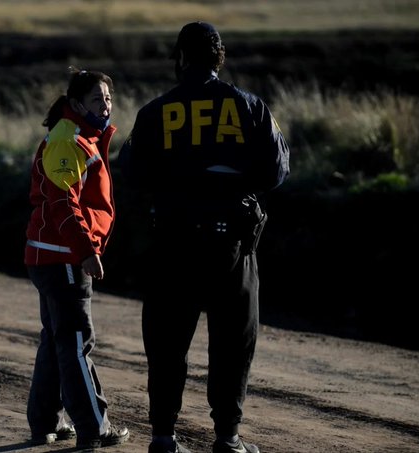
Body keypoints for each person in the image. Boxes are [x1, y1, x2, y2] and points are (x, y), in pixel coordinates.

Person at [118, 22, 290, 453]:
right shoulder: (250, 106)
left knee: (166, 344)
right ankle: (228, 438)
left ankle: (163, 436)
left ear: (180, 58)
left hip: (173, 244)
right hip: (233, 246)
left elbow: (132, 170)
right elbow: (276, 171)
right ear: (219, 57)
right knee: (233, 344)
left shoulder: (156, 111)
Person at [24, 66, 130, 450]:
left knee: (57, 340)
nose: (105, 106)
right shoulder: (68, 140)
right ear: (76, 104)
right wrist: (86, 251)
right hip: (63, 257)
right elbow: (62, 203)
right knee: (75, 342)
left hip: (51, 255)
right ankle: (93, 427)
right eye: (97, 99)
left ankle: (45, 422)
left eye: (108, 98)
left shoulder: (80, 137)